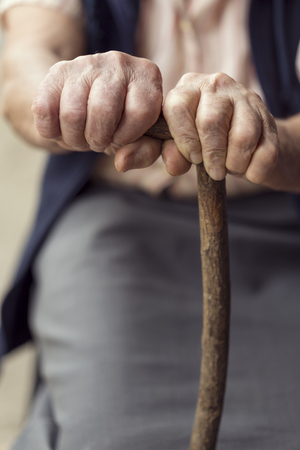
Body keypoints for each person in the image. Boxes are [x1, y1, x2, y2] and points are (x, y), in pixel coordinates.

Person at [1, 0, 300, 448]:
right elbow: (24, 66)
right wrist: (69, 92)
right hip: (116, 222)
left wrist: (266, 138)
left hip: (285, 224)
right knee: (112, 430)